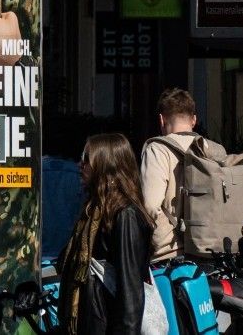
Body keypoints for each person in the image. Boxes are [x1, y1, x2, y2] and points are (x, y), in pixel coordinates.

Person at [57, 134, 154, 335]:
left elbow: (130, 293)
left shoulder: (124, 215)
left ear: (105, 166)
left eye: (86, 158)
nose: (80, 164)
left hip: (106, 327)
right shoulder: (92, 213)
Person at [140, 87, 210, 262]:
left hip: (170, 255)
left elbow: (149, 205)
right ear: (194, 120)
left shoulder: (158, 150)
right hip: (210, 251)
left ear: (161, 120)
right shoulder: (212, 149)